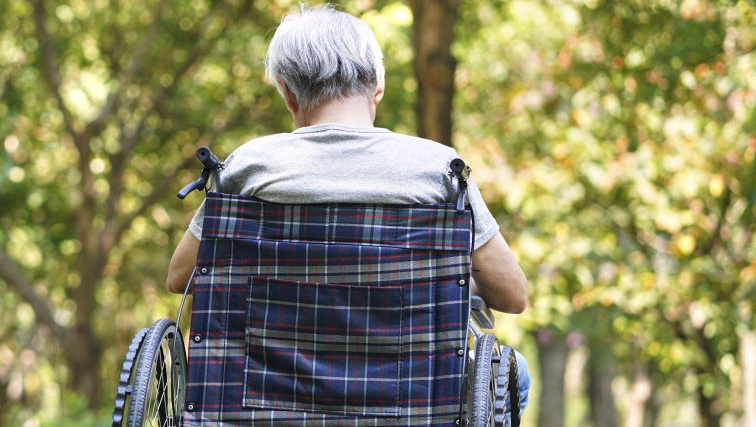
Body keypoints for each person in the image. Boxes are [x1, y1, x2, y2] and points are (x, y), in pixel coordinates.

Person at [164, 3, 531, 420]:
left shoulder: (249, 166)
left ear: (286, 91)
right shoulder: (439, 172)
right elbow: (513, 294)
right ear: (379, 87)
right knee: (518, 375)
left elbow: (182, 276)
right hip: (409, 408)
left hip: (261, 405)